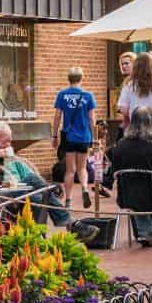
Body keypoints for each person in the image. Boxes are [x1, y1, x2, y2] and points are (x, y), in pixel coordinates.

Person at [107, 106, 152, 246]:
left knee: (136, 193)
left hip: (128, 196)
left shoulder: (120, 145)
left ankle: (144, 232)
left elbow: (114, 170)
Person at [52, 68, 98, 213]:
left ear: (68, 78)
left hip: (69, 137)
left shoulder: (62, 95)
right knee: (82, 168)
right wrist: (95, 138)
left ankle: (68, 200)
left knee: (70, 170)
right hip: (84, 136)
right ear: (81, 78)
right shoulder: (88, 95)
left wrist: (54, 136)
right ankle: (84, 188)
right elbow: (92, 118)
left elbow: (57, 116)